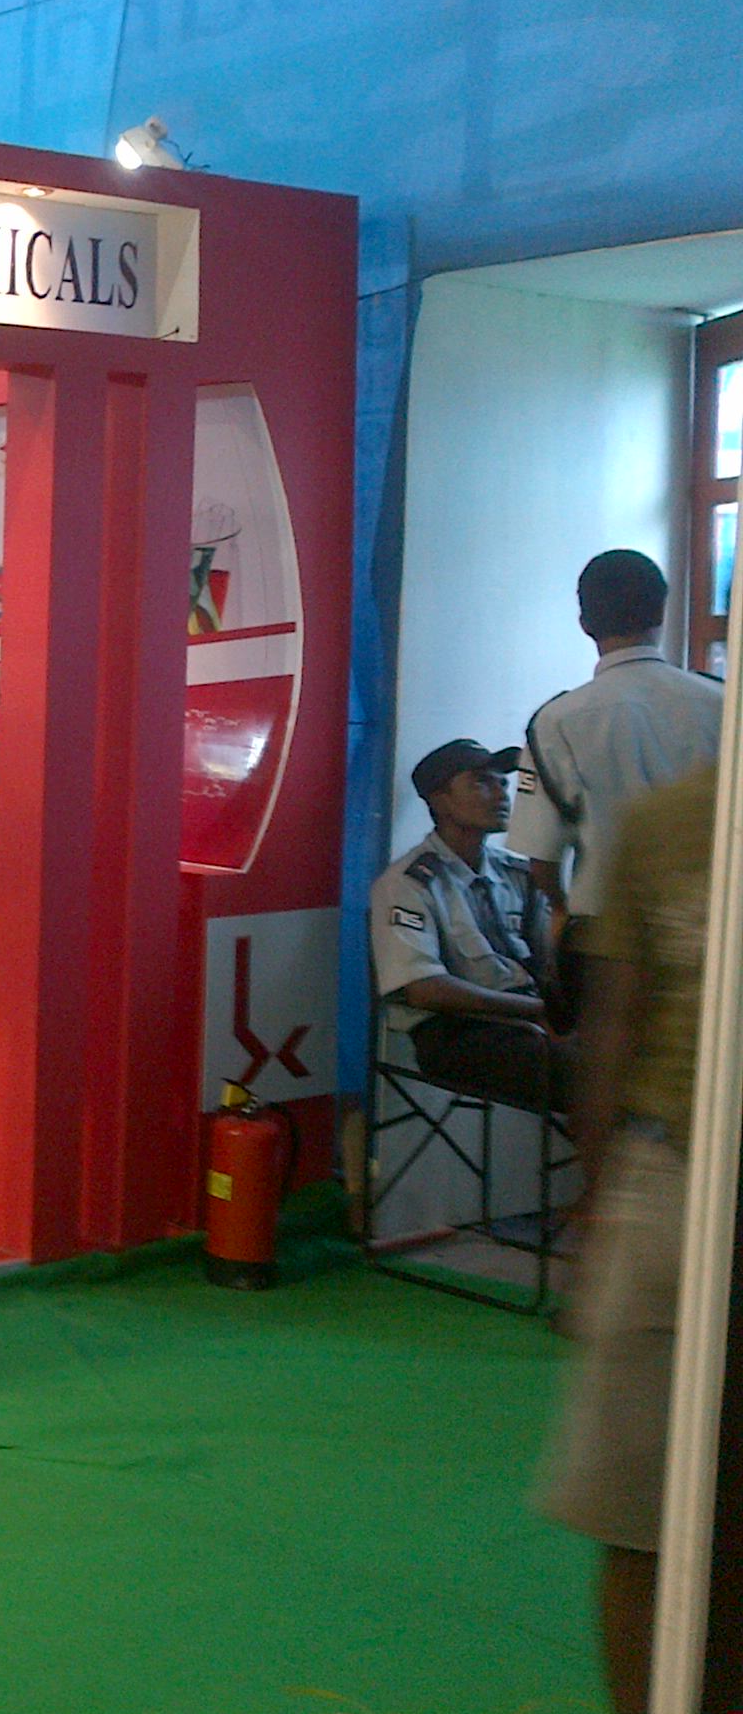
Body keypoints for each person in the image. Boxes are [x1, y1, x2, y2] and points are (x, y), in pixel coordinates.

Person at [537, 760, 743, 1711]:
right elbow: (612, 1025)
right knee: (639, 1517)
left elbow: (611, 1027)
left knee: (644, 1523)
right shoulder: (668, 818)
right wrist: (602, 1204)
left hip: (666, 1181)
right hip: (674, 1191)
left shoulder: (663, 813)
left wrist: (597, 1203)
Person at [508, 549, 722, 1029]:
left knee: (610, 1056)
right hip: (713, 934)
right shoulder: (722, 702)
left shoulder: (557, 721)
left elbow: (542, 862)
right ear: (661, 611)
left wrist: (562, 909)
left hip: (605, 941)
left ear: (585, 623)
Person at [369, 736, 565, 1110]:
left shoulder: (519, 875)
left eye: (503, 783)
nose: (501, 794)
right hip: (458, 1031)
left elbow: (550, 960)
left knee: (614, 1053)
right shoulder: (408, 884)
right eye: (481, 783)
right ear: (439, 800)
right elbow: (425, 990)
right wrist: (535, 1011)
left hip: (528, 1018)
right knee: (586, 1075)